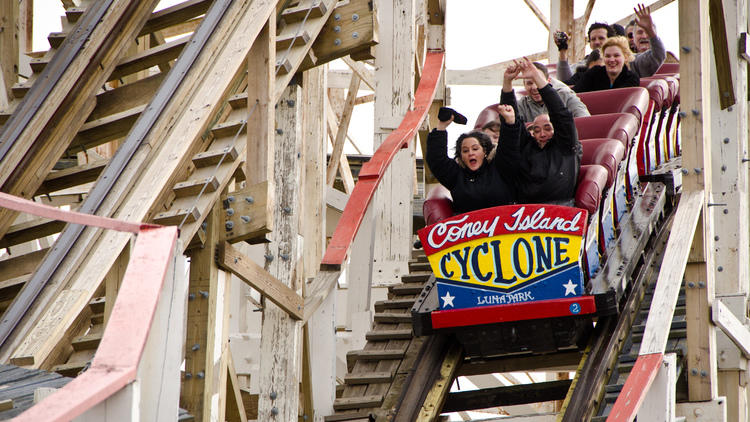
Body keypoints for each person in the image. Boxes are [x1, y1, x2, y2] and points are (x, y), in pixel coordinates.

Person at [497, 58, 581, 205]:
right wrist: (507, 83)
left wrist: (537, 77)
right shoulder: (528, 147)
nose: (542, 134)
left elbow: (561, 116)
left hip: (561, 208)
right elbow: (510, 119)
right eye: (537, 130)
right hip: (525, 210)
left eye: (548, 128)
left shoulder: (566, 146)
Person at [425, 115, 515, 214]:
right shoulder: (456, 175)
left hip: (503, 225)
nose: (470, 153)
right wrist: (441, 127)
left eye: (475, 149)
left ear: (484, 151)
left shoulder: (499, 168)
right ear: (461, 156)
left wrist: (510, 122)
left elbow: (510, 147)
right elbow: (437, 160)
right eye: (465, 151)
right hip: (469, 227)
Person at [507, 62, 590, 123]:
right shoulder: (522, 105)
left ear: (548, 81)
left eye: (538, 81)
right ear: (524, 85)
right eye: (529, 83)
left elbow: (585, 121)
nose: (534, 87)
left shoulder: (565, 96)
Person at [573, 36, 639, 93]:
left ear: (625, 57)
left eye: (616, 55)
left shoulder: (632, 78)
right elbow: (575, 93)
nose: (612, 60)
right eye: (607, 56)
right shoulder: (594, 72)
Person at [629, 3, 666, 77]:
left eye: (647, 32)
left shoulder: (641, 62)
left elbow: (658, 55)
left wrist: (650, 31)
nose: (644, 36)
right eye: (640, 32)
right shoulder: (628, 59)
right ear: (633, 37)